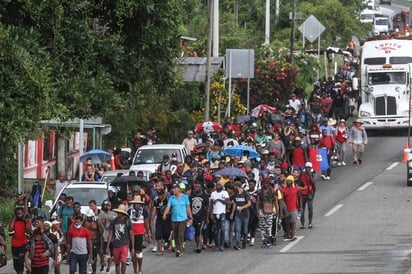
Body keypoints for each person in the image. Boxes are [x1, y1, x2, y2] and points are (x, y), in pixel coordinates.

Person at [162, 183, 193, 257]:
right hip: (174, 219)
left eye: (175, 188)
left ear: (179, 189)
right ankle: (177, 247)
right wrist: (164, 214)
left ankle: (180, 249)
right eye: (173, 188)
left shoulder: (185, 197)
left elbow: (188, 207)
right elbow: (168, 207)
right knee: (175, 235)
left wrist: (190, 217)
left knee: (180, 234)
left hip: (183, 218)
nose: (173, 190)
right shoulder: (172, 198)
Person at [107, 204, 134, 274]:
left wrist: (132, 247)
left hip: (125, 244)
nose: (118, 214)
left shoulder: (128, 222)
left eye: (119, 213)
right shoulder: (114, 221)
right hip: (116, 245)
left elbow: (131, 234)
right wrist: (108, 246)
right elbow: (110, 234)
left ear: (123, 213)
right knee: (117, 263)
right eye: (118, 212)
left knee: (123, 261)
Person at [127, 195, 148, 274]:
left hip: (139, 234)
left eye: (138, 203)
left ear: (140, 204)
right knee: (133, 253)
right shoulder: (129, 211)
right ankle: (135, 270)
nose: (136, 205)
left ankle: (140, 268)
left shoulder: (144, 211)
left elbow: (146, 223)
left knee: (139, 252)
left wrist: (148, 234)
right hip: (131, 234)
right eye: (135, 203)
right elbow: (128, 223)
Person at [257, 178, 279, 248]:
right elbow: (257, 201)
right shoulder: (260, 191)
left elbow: (275, 200)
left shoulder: (272, 191)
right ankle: (264, 241)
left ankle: (269, 241)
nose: (265, 185)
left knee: (269, 226)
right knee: (262, 226)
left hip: (270, 210)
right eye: (264, 183)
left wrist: (277, 210)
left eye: (267, 183)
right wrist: (257, 210)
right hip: (261, 210)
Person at [210, 181, 230, 252]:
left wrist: (219, 200)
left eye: (219, 185)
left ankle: (221, 245)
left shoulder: (225, 193)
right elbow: (211, 204)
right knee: (215, 230)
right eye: (217, 185)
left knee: (222, 229)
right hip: (215, 213)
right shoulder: (213, 193)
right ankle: (216, 244)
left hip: (222, 213)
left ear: (222, 186)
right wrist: (211, 213)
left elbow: (228, 202)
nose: (217, 186)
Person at [189, 183, 209, 253]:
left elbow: (207, 208)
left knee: (199, 232)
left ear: (201, 188)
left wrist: (207, 218)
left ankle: (199, 247)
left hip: (201, 217)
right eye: (195, 187)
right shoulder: (191, 196)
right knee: (196, 232)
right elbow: (189, 207)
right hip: (193, 217)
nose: (196, 188)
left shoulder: (205, 197)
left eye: (198, 187)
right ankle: (197, 245)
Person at [231, 181, 251, 250]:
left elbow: (249, 203)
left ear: (237, 186)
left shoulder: (245, 193)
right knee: (237, 230)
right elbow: (234, 204)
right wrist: (232, 213)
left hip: (245, 214)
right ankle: (238, 244)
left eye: (234, 186)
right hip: (237, 215)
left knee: (245, 230)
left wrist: (242, 207)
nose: (233, 187)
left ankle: (244, 242)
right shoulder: (235, 194)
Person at [98, 200, 117, 273]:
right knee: (103, 252)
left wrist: (112, 219)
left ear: (110, 206)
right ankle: (104, 265)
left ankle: (108, 268)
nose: (106, 206)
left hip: (113, 237)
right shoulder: (101, 215)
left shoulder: (114, 214)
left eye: (108, 205)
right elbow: (99, 224)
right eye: (105, 205)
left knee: (112, 253)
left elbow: (116, 222)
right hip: (104, 235)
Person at [10, 207, 30, 274]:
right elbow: (10, 231)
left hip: (23, 244)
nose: (19, 215)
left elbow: (28, 232)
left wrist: (26, 221)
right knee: (15, 264)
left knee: (20, 263)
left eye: (20, 213)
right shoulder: (13, 221)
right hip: (14, 245)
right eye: (17, 214)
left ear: (23, 213)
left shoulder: (27, 221)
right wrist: (13, 220)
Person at [281, 175, 301, 241]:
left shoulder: (296, 189)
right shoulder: (283, 190)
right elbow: (282, 199)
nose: (288, 182)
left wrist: (300, 206)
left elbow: (299, 197)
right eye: (287, 181)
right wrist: (283, 208)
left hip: (294, 208)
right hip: (286, 209)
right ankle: (288, 234)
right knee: (287, 222)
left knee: (293, 222)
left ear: (292, 181)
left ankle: (293, 234)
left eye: (289, 180)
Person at [298, 162, 316, 229]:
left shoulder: (312, 174)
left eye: (309, 167)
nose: (308, 169)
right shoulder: (302, 174)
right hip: (302, 194)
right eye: (307, 167)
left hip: (309, 193)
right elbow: (299, 183)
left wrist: (310, 175)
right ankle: (302, 223)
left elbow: (314, 183)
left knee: (310, 207)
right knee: (302, 209)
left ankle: (310, 222)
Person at [83, 209, 101, 274]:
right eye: (88, 217)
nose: (89, 218)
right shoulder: (84, 222)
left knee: (94, 258)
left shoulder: (97, 221)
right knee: (85, 257)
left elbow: (100, 233)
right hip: (86, 242)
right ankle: (84, 271)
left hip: (94, 241)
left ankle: (94, 271)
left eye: (90, 217)